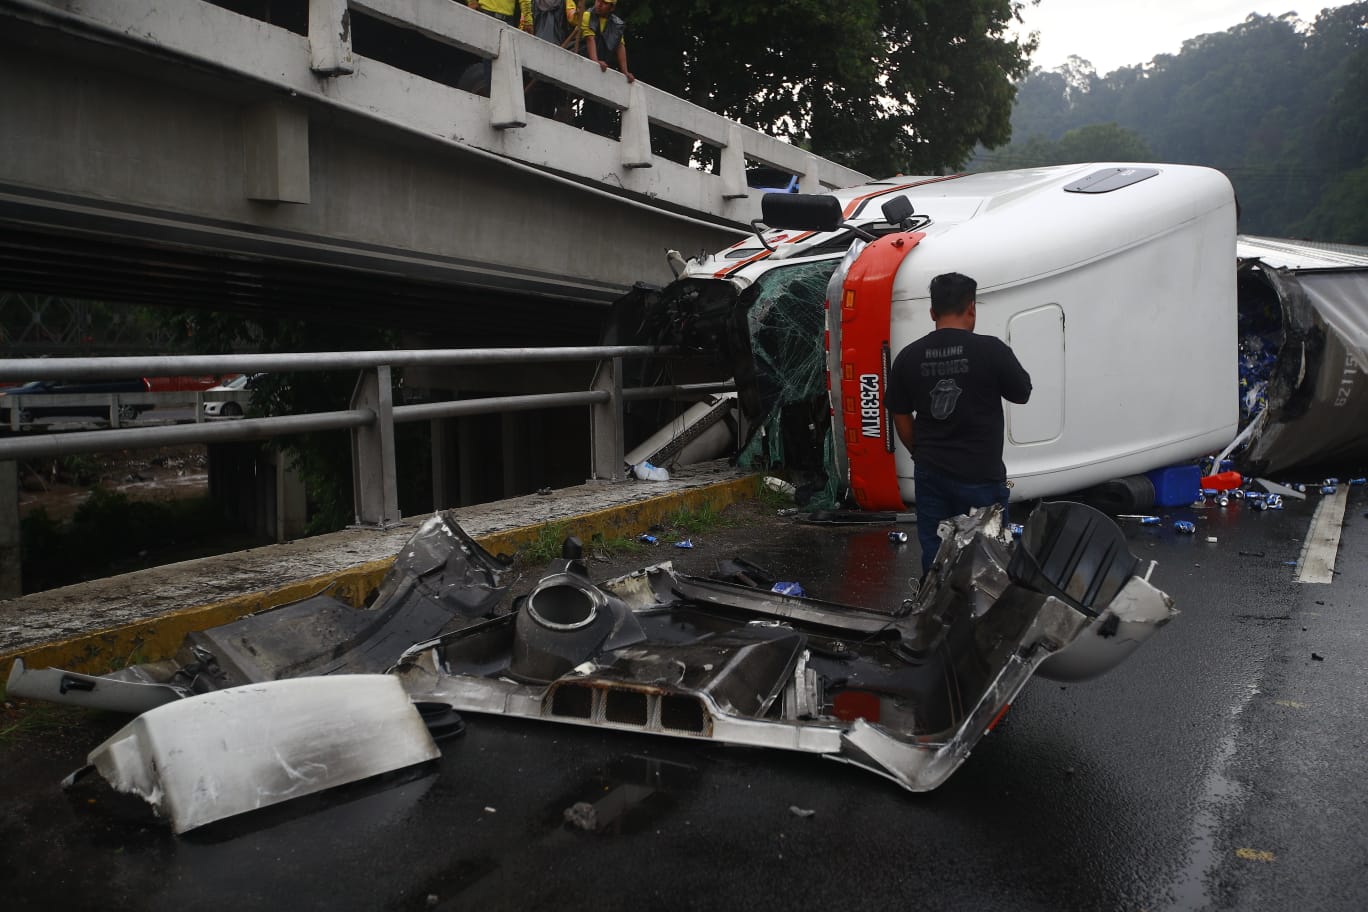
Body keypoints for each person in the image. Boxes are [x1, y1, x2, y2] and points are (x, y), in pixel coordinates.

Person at [886, 272, 1032, 574]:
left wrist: (919, 451)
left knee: (936, 550)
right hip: (982, 475)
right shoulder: (991, 350)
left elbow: (899, 413)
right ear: (972, 309)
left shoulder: (909, 357)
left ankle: (933, 611)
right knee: (988, 553)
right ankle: (984, 612)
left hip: (931, 474)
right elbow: (1022, 393)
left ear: (932, 313)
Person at [574, 0, 632, 82]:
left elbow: (620, 46)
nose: (599, 5)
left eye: (604, 3)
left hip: (600, 65)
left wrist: (625, 72)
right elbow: (590, 39)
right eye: (598, 0)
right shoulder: (588, 15)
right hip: (580, 60)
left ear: (612, 8)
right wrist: (595, 62)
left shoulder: (617, 24)